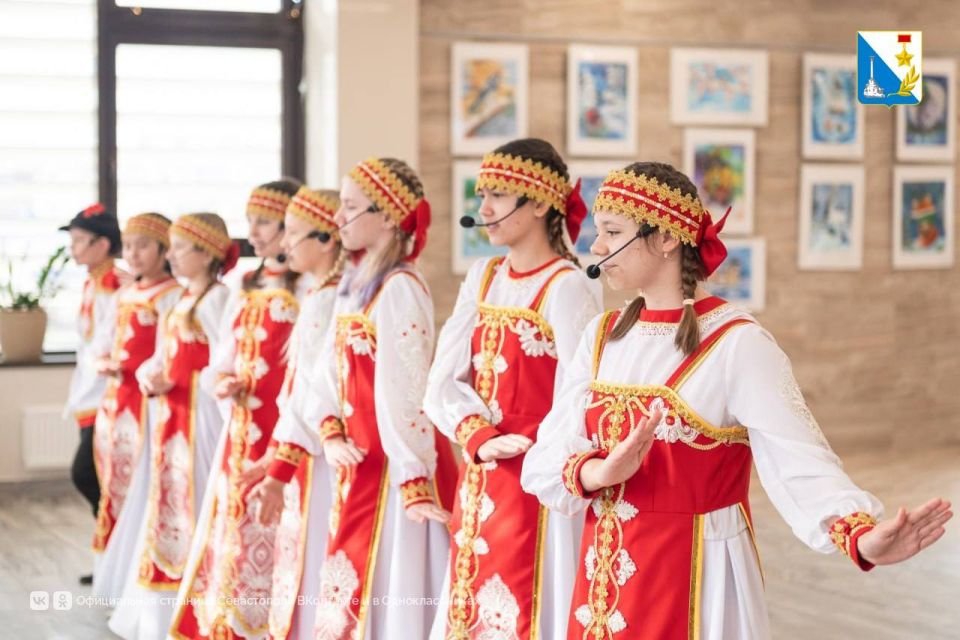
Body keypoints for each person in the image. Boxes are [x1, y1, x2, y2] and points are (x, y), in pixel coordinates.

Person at [521, 161, 953, 639]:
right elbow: (549, 452)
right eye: (599, 231)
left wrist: (861, 535)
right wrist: (600, 473)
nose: (597, 247)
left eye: (613, 231)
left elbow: (798, 458)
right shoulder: (601, 337)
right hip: (603, 575)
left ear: (666, 238)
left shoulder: (737, 343)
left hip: (697, 576)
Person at [424, 138, 602, 639]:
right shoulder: (483, 277)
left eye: (498, 195)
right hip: (482, 470)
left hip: (538, 476)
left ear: (541, 203)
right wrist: (476, 433)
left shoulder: (567, 286)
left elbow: (582, 394)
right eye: (482, 195)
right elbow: (441, 379)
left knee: (533, 601)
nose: (484, 209)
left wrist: (549, 456)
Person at [307, 157, 457, 639]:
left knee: (393, 582)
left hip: (396, 465)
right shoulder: (355, 287)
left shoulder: (400, 288)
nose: (338, 217)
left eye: (350, 206)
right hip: (359, 460)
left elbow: (407, 390)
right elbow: (326, 371)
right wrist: (329, 431)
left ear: (389, 216)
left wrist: (413, 478)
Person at [170, 179, 310, 640]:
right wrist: (222, 380)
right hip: (241, 424)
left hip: (284, 427)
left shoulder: (310, 285)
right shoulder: (243, 284)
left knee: (283, 527)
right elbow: (221, 354)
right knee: (236, 525)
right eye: (251, 221)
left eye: (265, 221)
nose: (254, 231)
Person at [107, 213, 236, 639]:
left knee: (195, 498)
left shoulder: (217, 299)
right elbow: (163, 354)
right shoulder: (183, 299)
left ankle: (197, 601)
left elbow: (224, 362)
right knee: (169, 499)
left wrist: (185, 381)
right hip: (173, 415)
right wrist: (151, 375)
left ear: (207, 253)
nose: (174, 255)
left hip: (200, 418)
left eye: (181, 248)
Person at [247, 186, 349, 639]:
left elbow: (310, 393)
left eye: (292, 232)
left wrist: (280, 464)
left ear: (326, 239)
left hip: (320, 450)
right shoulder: (324, 293)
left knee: (313, 551)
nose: (284, 242)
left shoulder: (330, 297)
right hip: (309, 443)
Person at [92, 212, 182, 600]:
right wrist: (102, 360)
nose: (133, 254)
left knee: (141, 484)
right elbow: (104, 340)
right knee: (113, 482)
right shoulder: (124, 294)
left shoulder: (172, 295)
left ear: (164, 250)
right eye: (128, 246)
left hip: (147, 403)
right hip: (116, 400)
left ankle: (133, 571)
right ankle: (113, 570)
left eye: (143, 246)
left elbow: (168, 352)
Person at [59, 203, 125, 585]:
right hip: (88, 394)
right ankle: (109, 557)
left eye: (80, 240)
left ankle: (116, 552)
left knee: (87, 474)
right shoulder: (92, 283)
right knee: (95, 477)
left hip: (108, 395)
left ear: (103, 244)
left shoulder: (117, 285)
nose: (74, 249)